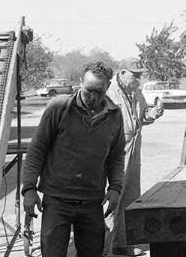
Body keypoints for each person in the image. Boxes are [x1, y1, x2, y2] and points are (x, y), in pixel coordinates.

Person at [22, 62, 125, 257]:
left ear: (108, 86)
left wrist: (115, 188)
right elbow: (37, 149)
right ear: (80, 82)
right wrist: (29, 188)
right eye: (88, 91)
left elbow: (117, 156)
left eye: (99, 92)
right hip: (56, 201)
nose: (93, 98)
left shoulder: (114, 115)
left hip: (93, 202)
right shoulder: (59, 107)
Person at [104, 64, 163, 256]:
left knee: (130, 197)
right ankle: (103, 249)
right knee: (113, 198)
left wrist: (152, 113)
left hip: (134, 148)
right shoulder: (109, 92)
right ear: (121, 73)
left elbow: (143, 115)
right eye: (134, 75)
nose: (138, 79)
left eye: (140, 75)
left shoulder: (136, 92)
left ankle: (122, 244)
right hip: (116, 151)